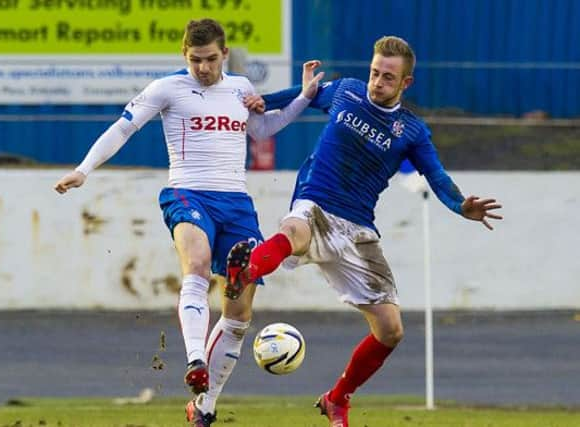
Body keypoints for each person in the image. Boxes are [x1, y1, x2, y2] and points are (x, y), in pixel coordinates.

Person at [54, 18, 324, 427]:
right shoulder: (167, 89)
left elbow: (266, 128)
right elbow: (123, 128)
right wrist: (84, 169)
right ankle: (195, 356)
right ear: (185, 55)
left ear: (225, 55)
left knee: (238, 314)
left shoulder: (241, 89)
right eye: (195, 60)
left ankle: (205, 404)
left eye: (211, 59)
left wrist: (304, 96)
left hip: (236, 203)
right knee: (196, 266)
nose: (203, 67)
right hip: (187, 193)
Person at [226, 36, 503, 427]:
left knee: (390, 330)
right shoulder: (347, 92)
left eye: (388, 77)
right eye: (375, 72)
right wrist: (263, 101)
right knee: (295, 230)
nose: (377, 81)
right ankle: (246, 271)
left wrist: (460, 205)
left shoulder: (411, 131)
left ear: (405, 83)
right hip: (316, 202)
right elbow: (305, 94)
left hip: (357, 230)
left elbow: (436, 176)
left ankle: (337, 399)